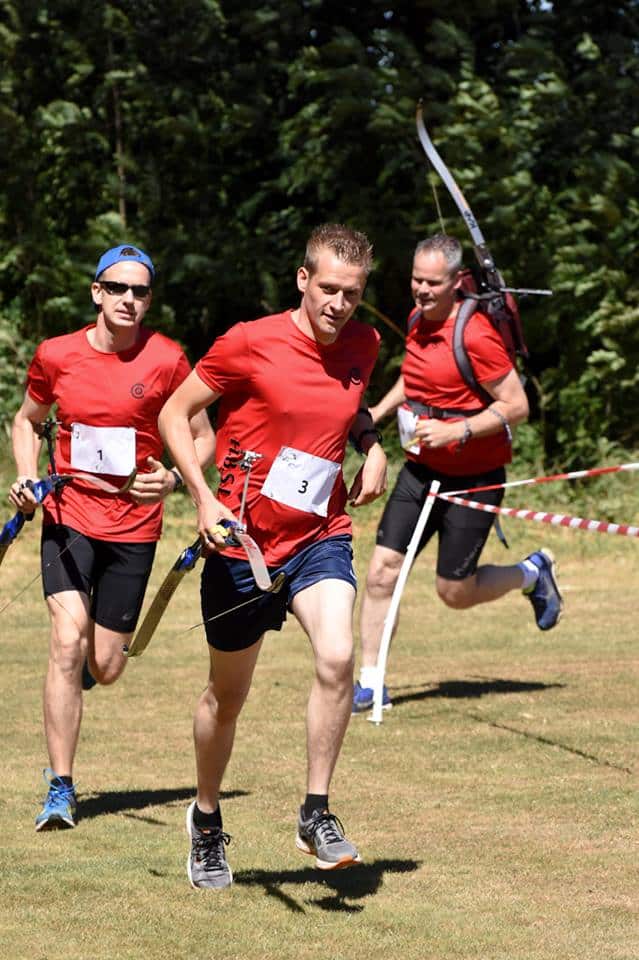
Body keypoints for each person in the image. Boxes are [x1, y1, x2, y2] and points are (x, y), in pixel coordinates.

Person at [158, 223, 387, 889]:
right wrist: (201, 499)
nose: (339, 304)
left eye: (352, 293)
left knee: (338, 656)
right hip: (242, 543)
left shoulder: (363, 343)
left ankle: (315, 812)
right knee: (227, 698)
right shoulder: (248, 342)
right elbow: (176, 414)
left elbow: (348, 403)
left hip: (320, 534)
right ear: (302, 279)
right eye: (328, 289)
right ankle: (205, 819)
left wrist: (370, 442)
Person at [9, 243, 215, 830]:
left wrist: (174, 477)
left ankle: (71, 686)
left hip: (134, 530)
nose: (129, 299)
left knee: (106, 665)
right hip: (69, 521)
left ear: (149, 299)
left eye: (140, 291)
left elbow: (205, 439)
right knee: (66, 638)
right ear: (97, 292)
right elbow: (25, 420)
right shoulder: (57, 355)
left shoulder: (169, 360)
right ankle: (61, 788)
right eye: (118, 288)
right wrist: (27, 477)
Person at [352, 234, 563, 713]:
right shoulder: (416, 319)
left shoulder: (475, 334)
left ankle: (532, 573)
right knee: (382, 572)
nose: (422, 290)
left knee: (454, 591)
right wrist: (377, 412)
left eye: (433, 282)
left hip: (476, 476)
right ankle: (371, 681)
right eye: (416, 280)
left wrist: (460, 431)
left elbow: (517, 406)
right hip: (420, 472)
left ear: (455, 282)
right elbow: (415, 375)